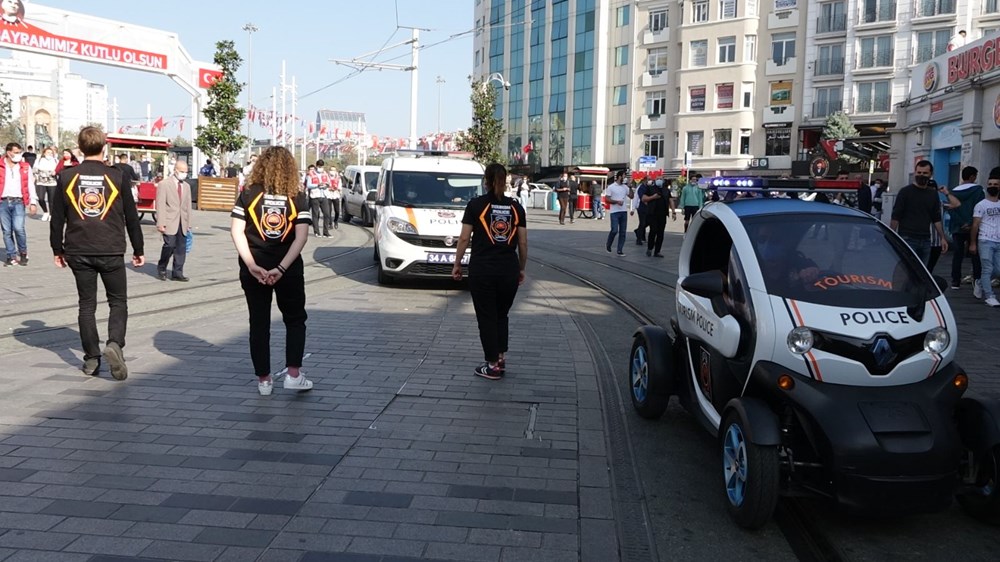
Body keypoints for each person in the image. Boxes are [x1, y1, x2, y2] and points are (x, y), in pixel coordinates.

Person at [49, 126, 144, 380]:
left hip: (78, 249)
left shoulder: (67, 177)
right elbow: (131, 217)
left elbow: (57, 218)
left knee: (86, 305)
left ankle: (92, 358)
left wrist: (57, 249)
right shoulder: (117, 176)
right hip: (111, 248)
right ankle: (114, 343)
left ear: (80, 149)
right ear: (104, 147)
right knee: (118, 301)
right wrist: (138, 249)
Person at [230, 146, 313, 396]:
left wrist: (251, 264)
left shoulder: (248, 193)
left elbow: (236, 231)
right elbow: (301, 237)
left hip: (254, 267)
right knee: (295, 319)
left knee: (259, 322)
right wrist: (281, 268)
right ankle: (293, 375)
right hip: (288, 269)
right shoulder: (297, 196)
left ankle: (264, 380)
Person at [451, 163, 528, 380]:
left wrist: (457, 263)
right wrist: (521, 268)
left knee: (487, 317)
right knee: (501, 315)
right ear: (505, 181)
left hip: (482, 270)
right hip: (508, 270)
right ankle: (500, 358)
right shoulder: (516, 208)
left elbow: (464, 238)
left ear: (486, 181)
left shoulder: (476, 205)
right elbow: (523, 242)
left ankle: (492, 365)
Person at [891, 160, 948, 267]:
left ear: (931, 174)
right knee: (907, 270)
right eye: (919, 172)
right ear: (915, 173)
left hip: (926, 239)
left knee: (922, 271)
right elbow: (896, 216)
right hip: (907, 238)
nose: (921, 175)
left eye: (925, 173)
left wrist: (942, 238)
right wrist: (892, 235)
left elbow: (936, 218)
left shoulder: (932, 194)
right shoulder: (905, 192)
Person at [946, 166, 984, 295]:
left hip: (957, 227)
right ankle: (977, 281)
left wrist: (961, 223)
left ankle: (955, 281)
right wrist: (970, 223)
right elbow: (979, 208)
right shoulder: (978, 190)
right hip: (973, 226)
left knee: (957, 255)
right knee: (975, 254)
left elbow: (951, 209)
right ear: (972, 176)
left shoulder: (952, 192)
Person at [0, 142, 37, 266]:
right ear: (8, 153)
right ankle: (11, 255)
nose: (18, 155)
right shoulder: (1, 165)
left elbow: (30, 184)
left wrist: (33, 202)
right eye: (16, 152)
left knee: (18, 228)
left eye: (19, 152)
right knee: (6, 231)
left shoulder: (25, 167)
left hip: (18, 202)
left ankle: (23, 252)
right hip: (3, 202)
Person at [155, 160, 192, 282]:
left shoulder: (186, 186)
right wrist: (161, 223)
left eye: (186, 172)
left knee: (181, 248)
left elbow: (188, 206)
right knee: (169, 245)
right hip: (169, 221)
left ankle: (177, 272)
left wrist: (189, 223)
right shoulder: (164, 184)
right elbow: (160, 204)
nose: (184, 174)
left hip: (182, 221)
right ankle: (162, 267)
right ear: (175, 170)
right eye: (182, 171)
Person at [969, 170, 1000, 307]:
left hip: (998, 241)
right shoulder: (981, 205)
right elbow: (975, 224)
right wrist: (973, 243)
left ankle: (980, 282)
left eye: (995, 184)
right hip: (985, 240)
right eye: (990, 184)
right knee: (987, 268)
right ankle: (989, 296)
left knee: (997, 270)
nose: (992, 186)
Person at [644, 177, 675, 257]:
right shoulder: (650, 189)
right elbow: (644, 199)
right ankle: (650, 248)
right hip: (653, 214)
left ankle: (657, 251)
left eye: (661, 179)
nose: (659, 180)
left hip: (663, 214)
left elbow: (671, 201)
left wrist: (673, 212)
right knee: (653, 231)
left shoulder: (666, 190)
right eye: (658, 178)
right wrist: (653, 197)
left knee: (660, 233)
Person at [605, 171, 630, 256]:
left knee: (623, 232)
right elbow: (607, 199)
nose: (625, 178)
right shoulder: (611, 187)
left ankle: (620, 250)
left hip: (623, 211)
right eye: (624, 176)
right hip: (614, 211)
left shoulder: (625, 187)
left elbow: (631, 196)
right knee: (614, 230)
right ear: (619, 177)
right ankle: (608, 244)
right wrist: (616, 202)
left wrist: (629, 186)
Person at [304, 163, 332, 237]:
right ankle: (316, 232)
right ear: (316, 166)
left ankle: (326, 232)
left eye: (322, 166)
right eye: (319, 166)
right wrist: (317, 185)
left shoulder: (325, 173)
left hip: (324, 195)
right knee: (315, 214)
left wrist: (326, 185)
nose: (321, 168)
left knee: (327, 214)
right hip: (315, 196)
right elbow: (308, 185)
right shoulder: (311, 174)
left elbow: (329, 183)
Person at [33, 146, 58, 222]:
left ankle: (51, 214)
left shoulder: (55, 160)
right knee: (40, 198)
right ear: (44, 153)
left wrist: (55, 172)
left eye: (51, 153)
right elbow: (34, 170)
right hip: (41, 181)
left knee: (51, 200)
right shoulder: (39, 160)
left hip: (52, 182)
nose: (49, 154)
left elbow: (59, 170)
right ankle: (45, 212)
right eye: (48, 152)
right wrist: (35, 177)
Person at [325, 162, 342, 229]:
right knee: (329, 210)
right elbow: (325, 185)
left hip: (336, 195)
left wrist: (337, 189)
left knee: (337, 211)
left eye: (334, 170)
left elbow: (340, 187)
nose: (332, 171)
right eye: (331, 170)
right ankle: (330, 223)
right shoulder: (326, 177)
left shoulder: (338, 178)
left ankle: (336, 221)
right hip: (329, 195)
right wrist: (329, 188)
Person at [632, 179, 648, 245]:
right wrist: (633, 209)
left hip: (647, 208)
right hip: (641, 207)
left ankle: (640, 234)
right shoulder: (641, 188)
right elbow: (636, 198)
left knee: (646, 222)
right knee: (642, 223)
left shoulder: (647, 187)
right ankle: (639, 238)